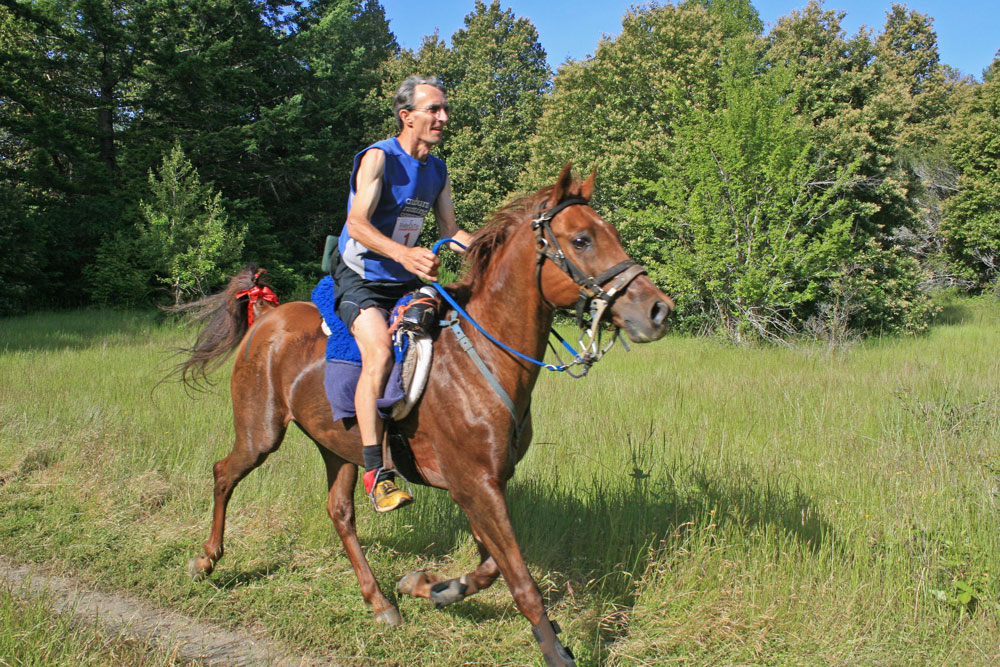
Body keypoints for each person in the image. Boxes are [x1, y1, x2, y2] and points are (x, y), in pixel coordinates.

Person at [333, 75, 472, 512]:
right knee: (379, 353)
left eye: (444, 109)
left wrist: (498, 252)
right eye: (434, 109)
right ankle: (376, 474)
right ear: (406, 115)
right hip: (360, 274)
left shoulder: (438, 169)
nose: (443, 117)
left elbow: (450, 232)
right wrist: (405, 255)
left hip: (402, 276)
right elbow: (357, 224)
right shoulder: (379, 158)